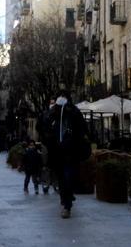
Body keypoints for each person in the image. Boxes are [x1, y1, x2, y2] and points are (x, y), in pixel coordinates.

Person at [42, 90, 89, 219]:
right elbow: (44, 127)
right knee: (62, 179)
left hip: (71, 152)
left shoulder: (73, 112)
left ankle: (67, 204)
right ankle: (65, 202)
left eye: (63, 96)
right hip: (57, 153)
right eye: (60, 97)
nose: (61, 99)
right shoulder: (53, 113)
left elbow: (82, 128)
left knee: (68, 177)